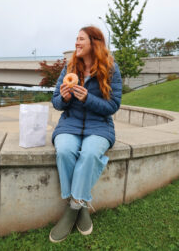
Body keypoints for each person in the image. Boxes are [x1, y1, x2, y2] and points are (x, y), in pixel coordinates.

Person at [49, 25, 122, 243]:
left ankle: (72, 208)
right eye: (76, 39)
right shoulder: (69, 67)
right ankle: (81, 206)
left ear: (94, 42)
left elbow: (113, 105)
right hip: (70, 125)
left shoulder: (110, 69)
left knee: (90, 154)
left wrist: (87, 99)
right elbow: (55, 102)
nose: (76, 43)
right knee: (64, 150)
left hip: (99, 126)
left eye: (81, 39)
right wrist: (64, 98)